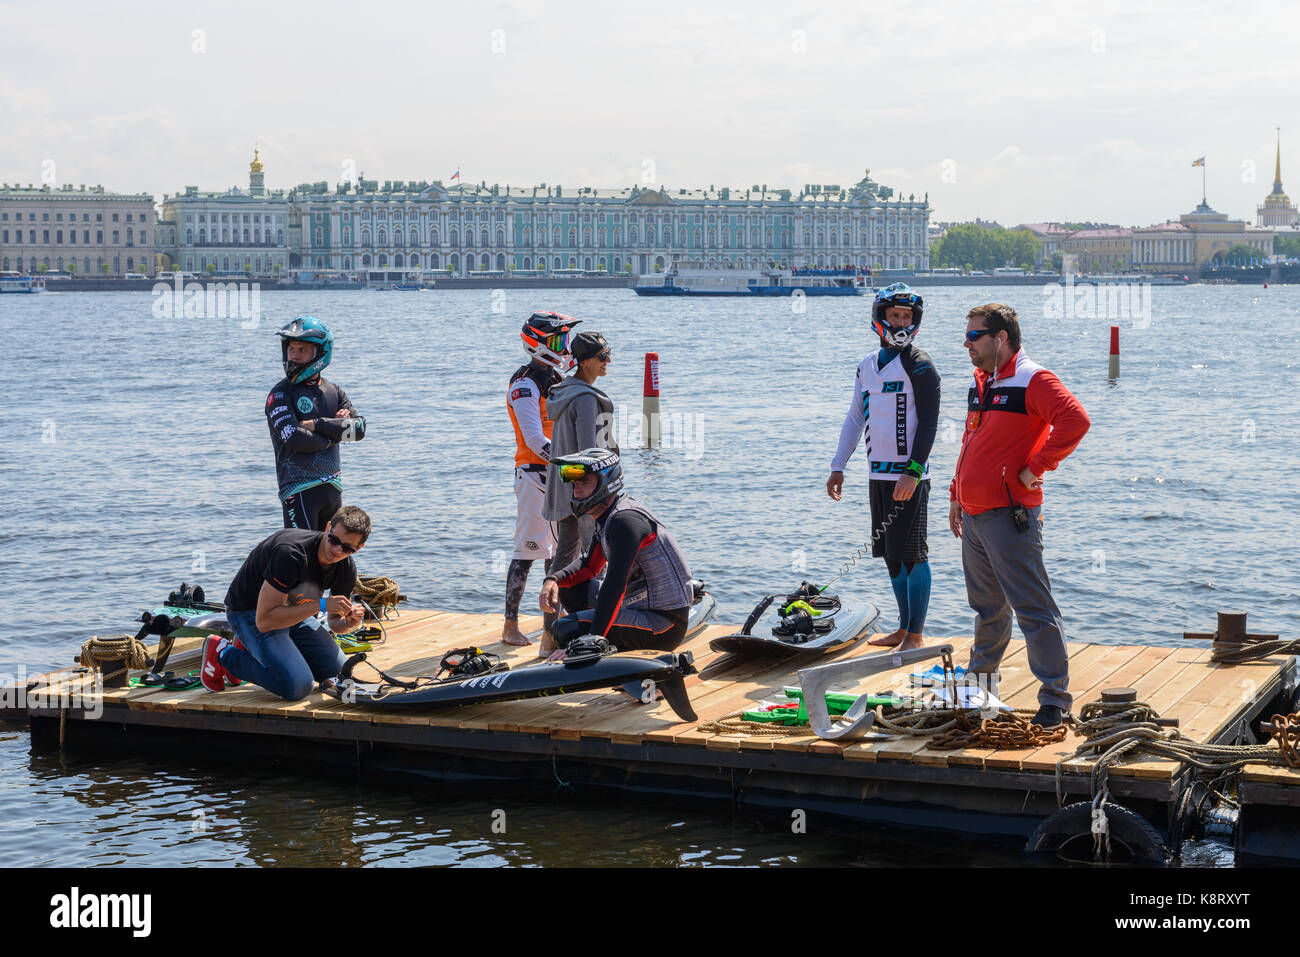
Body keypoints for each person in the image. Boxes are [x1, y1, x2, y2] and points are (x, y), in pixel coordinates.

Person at [949, 303, 1091, 728]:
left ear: (1001, 338)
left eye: (975, 335)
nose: (967, 343)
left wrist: (1036, 467)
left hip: (1010, 515)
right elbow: (971, 439)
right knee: (987, 609)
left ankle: (1054, 700)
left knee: (1033, 608)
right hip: (974, 515)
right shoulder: (982, 380)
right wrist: (956, 494)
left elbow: (1075, 420)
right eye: (968, 335)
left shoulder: (1034, 379)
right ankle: (981, 696)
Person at [827, 282, 941, 650]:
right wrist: (838, 465)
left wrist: (913, 471)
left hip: (910, 477)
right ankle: (901, 628)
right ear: (880, 320)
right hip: (878, 474)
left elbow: (930, 423)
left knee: (913, 553)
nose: (901, 322)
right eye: (895, 315)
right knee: (891, 555)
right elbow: (854, 418)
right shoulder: (866, 367)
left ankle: (916, 635)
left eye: (907, 316)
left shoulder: (921, 366)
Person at [201, 505, 371, 700]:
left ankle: (251, 646)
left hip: (293, 614)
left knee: (339, 674)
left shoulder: (346, 568)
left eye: (347, 548)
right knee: (297, 686)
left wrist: (349, 623)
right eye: (333, 540)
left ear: (359, 548)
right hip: (250, 611)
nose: (337, 549)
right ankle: (223, 654)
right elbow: (265, 621)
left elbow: (334, 623)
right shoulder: (291, 554)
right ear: (327, 527)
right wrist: (321, 605)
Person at [539, 448, 693, 657]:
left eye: (585, 483)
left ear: (606, 484)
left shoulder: (624, 521)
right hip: (638, 608)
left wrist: (588, 642)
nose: (577, 490)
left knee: (564, 629)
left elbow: (614, 586)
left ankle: (598, 650)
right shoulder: (608, 515)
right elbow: (589, 567)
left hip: (665, 624)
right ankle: (605, 647)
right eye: (575, 483)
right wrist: (553, 579)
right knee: (569, 588)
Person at [502, 312, 580, 646]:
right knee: (527, 551)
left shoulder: (556, 377)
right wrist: (569, 465)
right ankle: (510, 625)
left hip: (558, 474)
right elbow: (534, 439)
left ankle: (553, 624)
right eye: (558, 341)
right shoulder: (524, 383)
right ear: (538, 343)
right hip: (535, 475)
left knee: (560, 551)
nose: (564, 347)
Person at [541, 330, 617, 653]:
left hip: (564, 490)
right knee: (593, 564)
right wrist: (603, 493)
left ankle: (549, 639)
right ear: (584, 363)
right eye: (602, 357)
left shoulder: (565, 393)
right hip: (586, 496)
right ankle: (589, 639)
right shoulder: (585, 399)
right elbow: (591, 455)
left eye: (609, 354)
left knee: (562, 562)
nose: (608, 362)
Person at [267, 316, 367, 530]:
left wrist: (317, 424)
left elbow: (359, 430)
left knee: (330, 558)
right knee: (301, 555)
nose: (294, 355)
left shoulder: (335, 391)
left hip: (332, 487)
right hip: (298, 489)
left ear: (320, 353)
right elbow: (295, 439)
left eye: (302, 350)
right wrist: (335, 430)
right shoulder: (280, 394)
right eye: (292, 349)